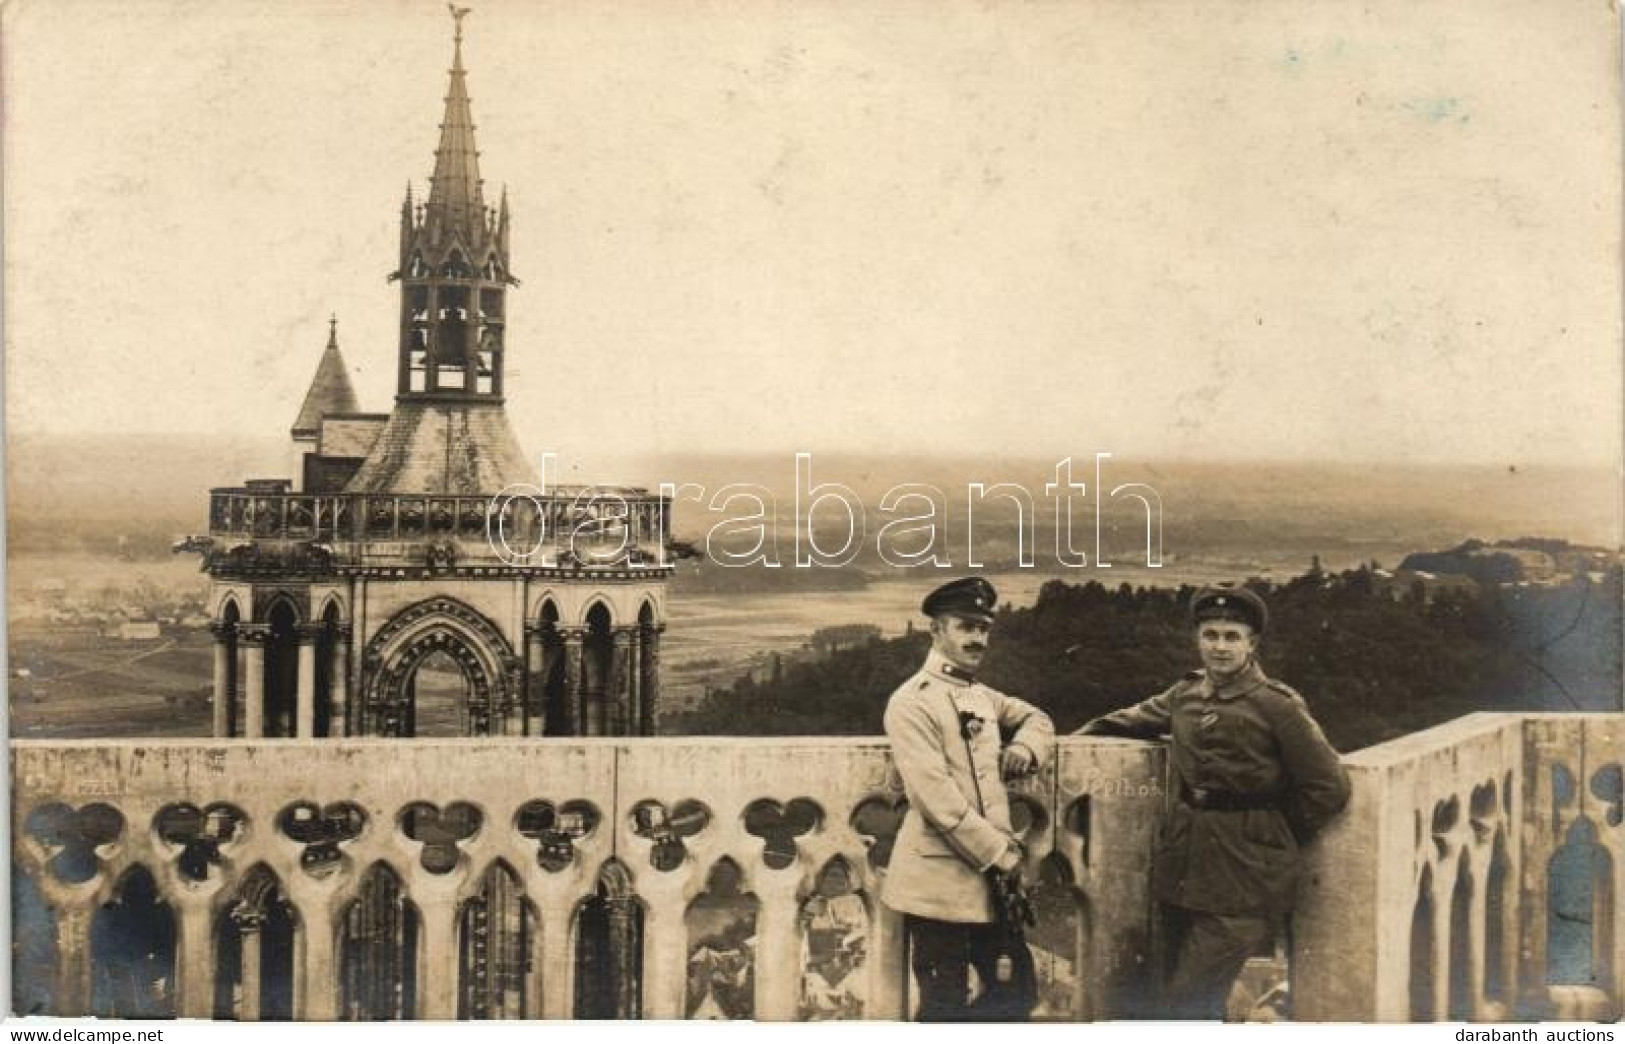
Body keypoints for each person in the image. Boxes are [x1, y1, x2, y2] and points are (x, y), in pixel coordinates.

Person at [1077, 585, 1350, 1020]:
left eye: (1231, 636)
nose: (1220, 647)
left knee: (1188, 998)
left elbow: (1328, 787)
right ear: (1197, 640)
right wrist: (1065, 746)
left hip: (1247, 875)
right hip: (1185, 866)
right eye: (1211, 635)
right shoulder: (1184, 695)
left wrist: (1271, 833)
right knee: (1187, 997)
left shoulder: (1276, 705)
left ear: (1251, 644)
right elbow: (1124, 721)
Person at [881, 576, 1055, 1021]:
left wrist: (1025, 748)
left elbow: (1037, 717)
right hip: (936, 885)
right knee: (943, 1006)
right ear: (936, 631)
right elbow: (935, 799)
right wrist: (1003, 853)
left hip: (989, 887)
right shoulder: (911, 703)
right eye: (965, 627)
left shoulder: (979, 694)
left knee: (1017, 993)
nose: (977, 638)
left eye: (983, 628)